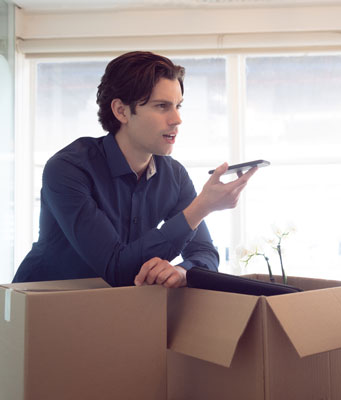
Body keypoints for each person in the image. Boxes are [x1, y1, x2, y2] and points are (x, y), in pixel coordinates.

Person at [12, 51, 257, 288]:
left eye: (178, 106)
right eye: (162, 106)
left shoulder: (174, 176)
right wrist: (201, 207)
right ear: (121, 111)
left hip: (117, 310)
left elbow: (205, 253)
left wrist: (181, 272)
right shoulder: (68, 169)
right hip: (41, 308)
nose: (177, 119)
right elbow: (116, 268)